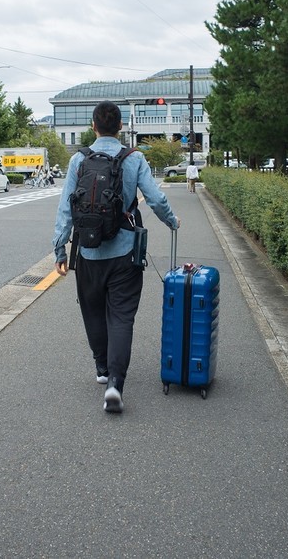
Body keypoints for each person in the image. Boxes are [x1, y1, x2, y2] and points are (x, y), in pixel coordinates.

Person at [53, 101, 180, 414]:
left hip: (86, 252)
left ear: (94, 126)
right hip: (124, 253)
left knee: (93, 312)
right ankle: (115, 385)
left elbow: (66, 208)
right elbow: (155, 198)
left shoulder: (78, 160)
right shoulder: (134, 158)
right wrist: (172, 221)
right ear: (121, 127)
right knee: (121, 317)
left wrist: (59, 248)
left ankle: (102, 368)